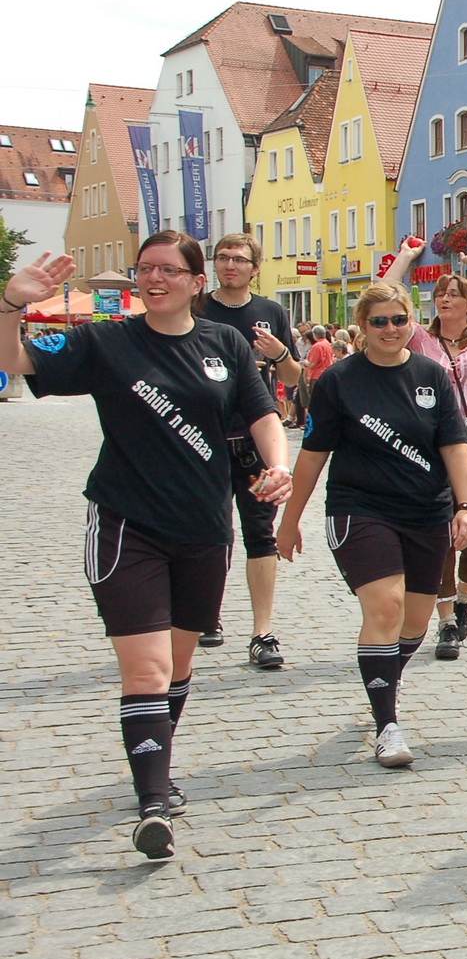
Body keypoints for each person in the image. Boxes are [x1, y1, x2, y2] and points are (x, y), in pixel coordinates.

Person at [1, 238, 292, 860]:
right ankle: (153, 804)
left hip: (204, 528)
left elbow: (263, 411)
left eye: (169, 270)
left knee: (179, 669)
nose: (154, 278)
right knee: (148, 670)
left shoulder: (225, 344)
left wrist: (278, 464)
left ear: (195, 281)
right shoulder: (107, 341)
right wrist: (10, 304)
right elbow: (16, 363)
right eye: (145, 269)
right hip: (127, 525)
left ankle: (156, 761)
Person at [276, 284, 467, 768]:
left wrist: (466, 506)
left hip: (426, 511)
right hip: (359, 508)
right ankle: (387, 724)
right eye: (379, 321)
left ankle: (386, 675)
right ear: (362, 326)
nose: (390, 329)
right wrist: (289, 520)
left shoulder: (431, 375)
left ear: (412, 322)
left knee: (416, 621)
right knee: (385, 609)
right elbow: (313, 455)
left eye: (399, 320)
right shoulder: (339, 380)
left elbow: (454, 445)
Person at [379, 240, 467, 661]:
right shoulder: (420, 339)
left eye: (454, 294)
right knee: (437, 532)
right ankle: (445, 621)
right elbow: (385, 296)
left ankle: (463, 597)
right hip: (430, 444)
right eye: (440, 294)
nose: (445, 299)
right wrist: (404, 257)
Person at [194, 233, 302, 668]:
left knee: (260, 532)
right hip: (204, 441)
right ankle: (206, 613)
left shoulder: (271, 312)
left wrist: (278, 354)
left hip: (255, 442)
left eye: (239, 259)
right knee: (209, 531)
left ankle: (262, 632)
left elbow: (294, 379)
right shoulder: (198, 307)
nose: (229, 266)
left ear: (255, 268)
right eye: (222, 258)